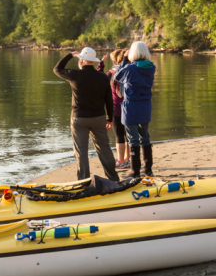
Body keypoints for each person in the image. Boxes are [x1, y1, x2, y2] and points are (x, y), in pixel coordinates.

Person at [54, 47, 119, 182]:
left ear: (82, 60)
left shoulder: (74, 75)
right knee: (104, 148)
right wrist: (109, 118)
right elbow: (109, 99)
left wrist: (70, 55)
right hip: (99, 118)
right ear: (93, 62)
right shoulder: (102, 77)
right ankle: (113, 179)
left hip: (79, 119)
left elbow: (57, 69)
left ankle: (84, 181)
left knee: (81, 151)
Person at [114, 41, 156, 178]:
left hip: (131, 106)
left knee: (133, 139)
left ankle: (135, 171)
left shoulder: (130, 68)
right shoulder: (151, 67)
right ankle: (148, 169)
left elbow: (117, 77)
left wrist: (124, 61)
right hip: (145, 105)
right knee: (145, 137)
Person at [98, 49, 129, 169]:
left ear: (115, 60)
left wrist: (101, 64)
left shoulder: (112, 72)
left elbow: (99, 78)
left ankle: (121, 161)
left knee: (119, 135)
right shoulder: (130, 70)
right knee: (128, 136)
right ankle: (127, 159)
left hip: (116, 109)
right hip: (129, 107)